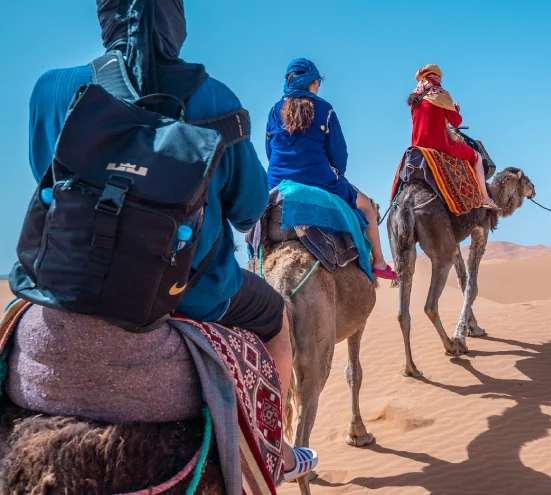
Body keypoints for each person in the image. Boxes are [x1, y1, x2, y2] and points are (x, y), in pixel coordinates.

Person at [27, 0, 315, 482]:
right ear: (173, 21)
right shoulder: (216, 99)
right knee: (275, 317)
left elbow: (46, 179)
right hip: (194, 296)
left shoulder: (51, 89)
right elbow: (248, 209)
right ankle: (273, 449)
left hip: (68, 287)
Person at [265, 57, 398, 281]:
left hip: (278, 185)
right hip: (320, 180)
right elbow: (339, 154)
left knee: (256, 224)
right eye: (318, 82)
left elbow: (270, 152)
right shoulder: (324, 109)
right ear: (312, 83)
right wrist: (338, 175)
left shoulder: (273, 111)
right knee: (366, 207)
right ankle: (379, 262)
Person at [407, 64, 498, 209]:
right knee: (477, 157)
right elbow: (456, 122)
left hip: (417, 146)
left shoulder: (414, 100)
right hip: (441, 145)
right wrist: (455, 109)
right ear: (436, 78)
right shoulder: (441, 94)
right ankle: (485, 198)